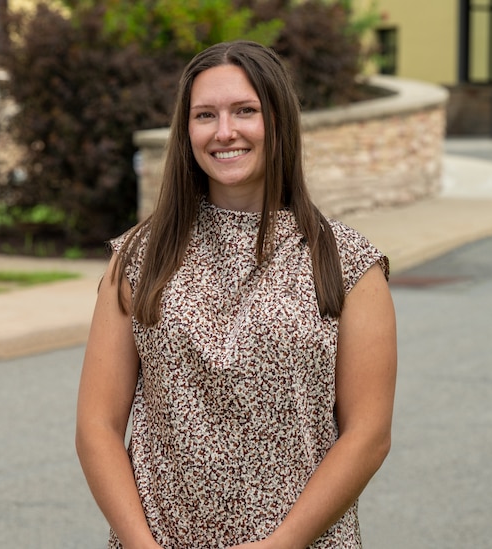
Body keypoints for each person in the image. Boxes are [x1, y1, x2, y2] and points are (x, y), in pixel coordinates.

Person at [75, 40, 397, 549]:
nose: (225, 132)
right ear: (187, 131)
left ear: (279, 121)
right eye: (205, 115)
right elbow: (97, 424)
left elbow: (368, 434)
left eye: (245, 111)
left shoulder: (346, 263)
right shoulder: (139, 257)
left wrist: (282, 543)